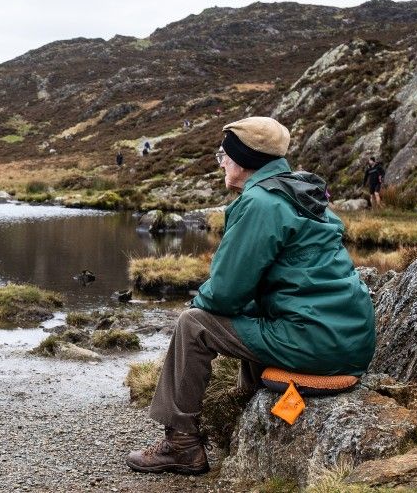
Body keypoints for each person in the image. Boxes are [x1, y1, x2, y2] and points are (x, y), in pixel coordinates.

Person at [126, 116, 375, 476]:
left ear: (243, 160)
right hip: (348, 341)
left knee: (193, 325)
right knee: (252, 316)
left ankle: (181, 445)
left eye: (224, 155)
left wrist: (200, 303)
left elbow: (225, 293)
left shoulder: (261, 202)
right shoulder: (298, 191)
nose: (221, 163)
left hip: (316, 340)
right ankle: (247, 403)